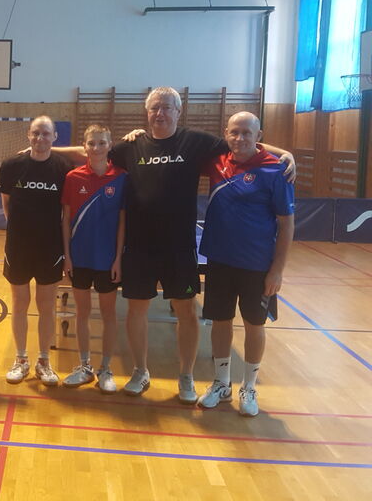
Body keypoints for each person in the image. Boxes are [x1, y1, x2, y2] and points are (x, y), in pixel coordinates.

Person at [100, 87, 295, 402]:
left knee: (187, 311)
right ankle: (140, 371)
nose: (161, 113)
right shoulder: (130, 146)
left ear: (178, 112)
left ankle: (187, 376)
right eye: (155, 107)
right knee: (136, 310)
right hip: (138, 247)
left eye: (167, 107)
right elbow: (93, 151)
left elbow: (241, 141)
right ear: (147, 113)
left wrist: (285, 153)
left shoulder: (196, 142)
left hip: (179, 247)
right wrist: (45, 148)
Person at [197, 112, 294, 417]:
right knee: (220, 322)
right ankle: (221, 383)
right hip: (219, 260)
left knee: (254, 325)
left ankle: (249, 387)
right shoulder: (216, 162)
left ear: (258, 135)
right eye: (234, 132)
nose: (240, 138)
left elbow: (287, 223)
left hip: (257, 265)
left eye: (247, 133)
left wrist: (277, 270)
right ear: (225, 133)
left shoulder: (275, 170)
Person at [0, 116, 72, 386]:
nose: (40, 138)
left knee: (46, 307)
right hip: (18, 247)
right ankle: (20, 360)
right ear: (28, 135)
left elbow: (66, 212)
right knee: (19, 304)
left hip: (49, 247)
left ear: (54, 137)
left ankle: (43, 361)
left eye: (46, 134)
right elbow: (7, 205)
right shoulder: (11, 166)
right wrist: (21, 230)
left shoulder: (63, 168)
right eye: (36, 133)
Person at [61, 125, 127, 393]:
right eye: (91, 143)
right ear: (84, 146)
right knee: (82, 312)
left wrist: (118, 258)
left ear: (110, 145)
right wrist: (67, 256)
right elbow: (66, 220)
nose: (96, 148)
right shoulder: (73, 177)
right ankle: (85, 366)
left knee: (109, 315)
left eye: (101, 143)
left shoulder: (121, 177)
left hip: (107, 260)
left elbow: (122, 222)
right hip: (79, 258)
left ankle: (106, 368)